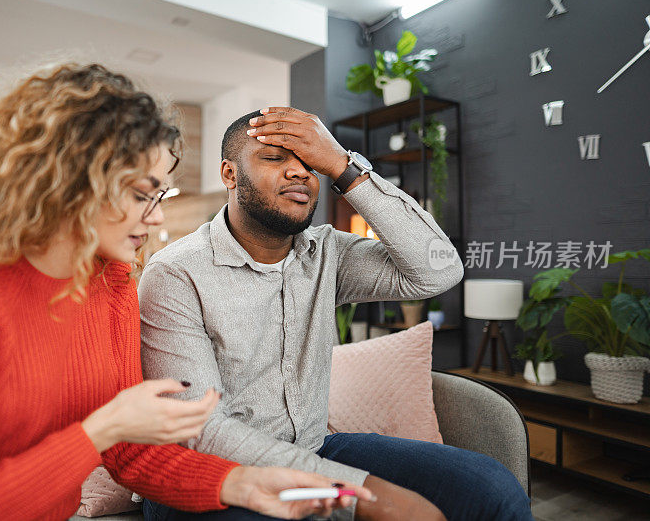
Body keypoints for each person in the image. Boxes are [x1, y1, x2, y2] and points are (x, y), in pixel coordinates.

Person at [0, 65, 374, 520]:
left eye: (160, 194)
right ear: (68, 182)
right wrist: (96, 431)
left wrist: (240, 484)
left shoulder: (112, 283)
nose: (159, 216)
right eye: (142, 194)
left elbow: (130, 453)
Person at [138, 107, 534, 520]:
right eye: (275, 158)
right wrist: (362, 493)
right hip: (209, 475)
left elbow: (439, 270)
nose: (300, 173)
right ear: (230, 174)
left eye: (312, 163)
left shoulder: (329, 253)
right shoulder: (176, 272)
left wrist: (345, 168)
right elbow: (201, 432)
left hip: (311, 448)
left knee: (490, 487)